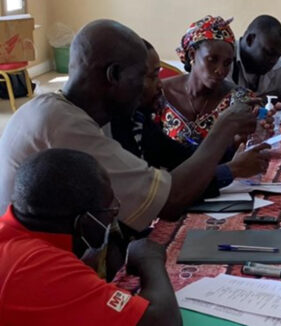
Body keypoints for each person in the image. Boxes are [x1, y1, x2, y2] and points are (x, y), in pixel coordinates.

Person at [0, 19, 260, 233]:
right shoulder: (61, 124)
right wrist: (222, 130)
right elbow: (168, 202)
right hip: (28, 262)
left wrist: (230, 142)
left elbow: (177, 163)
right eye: (144, 76)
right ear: (113, 76)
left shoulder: (98, 115)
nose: (157, 86)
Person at [0, 149, 180, 326]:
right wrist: (150, 259)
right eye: (110, 210)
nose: (114, 215)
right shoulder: (37, 265)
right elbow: (162, 321)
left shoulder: (12, 236)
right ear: (83, 223)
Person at [111, 39, 269, 193]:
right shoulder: (112, 132)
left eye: (227, 63)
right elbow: (163, 194)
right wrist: (232, 167)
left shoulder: (138, 120)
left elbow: (183, 159)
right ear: (115, 77)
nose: (160, 84)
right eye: (152, 77)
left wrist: (233, 145)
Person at [161, 15, 273, 148]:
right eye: (212, 59)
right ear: (192, 54)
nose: (220, 70)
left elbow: (242, 154)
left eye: (227, 63)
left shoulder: (239, 100)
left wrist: (243, 140)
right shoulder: (160, 94)